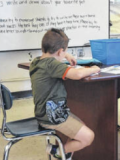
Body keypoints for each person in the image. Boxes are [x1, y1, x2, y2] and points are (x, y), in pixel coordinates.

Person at [30, 28, 100, 160]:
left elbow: (54, 56)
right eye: (64, 52)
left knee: (81, 126)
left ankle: (64, 155)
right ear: (60, 51)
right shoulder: (52, 64)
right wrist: (93, 69)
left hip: (44, 112)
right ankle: (56, 150)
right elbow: (78, 74)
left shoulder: (36, 62)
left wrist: (66, 55)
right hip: (53, 116)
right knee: (88, 137)